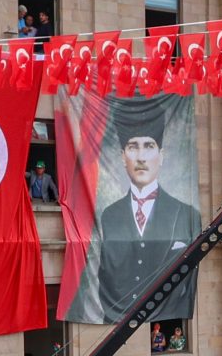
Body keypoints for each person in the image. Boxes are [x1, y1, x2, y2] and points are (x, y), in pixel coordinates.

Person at [82, 113, 203, 324]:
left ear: (161, 155)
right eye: (132, 147)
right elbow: (104, 274)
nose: (140, 157)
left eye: (148, 146)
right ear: (123, 156)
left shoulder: (186, 214)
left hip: (168, 317)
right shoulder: (109, 215)